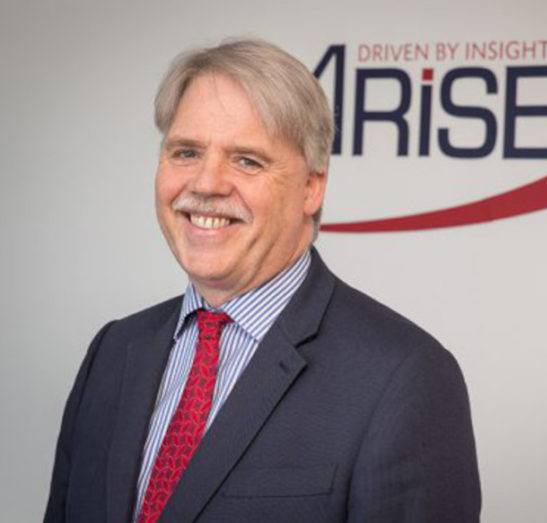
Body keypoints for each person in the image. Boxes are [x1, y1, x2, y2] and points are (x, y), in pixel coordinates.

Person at [44, 38, 481, 522]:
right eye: (186, 152)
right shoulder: (113, 352)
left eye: (247, 160)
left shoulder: (402, 378)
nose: (206, 184)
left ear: (312, 187)